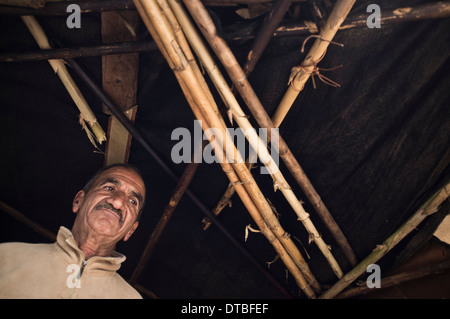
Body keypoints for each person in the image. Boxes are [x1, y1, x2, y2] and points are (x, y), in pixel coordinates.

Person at [0, 163, 146, 299]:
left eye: (133, 201)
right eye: (109, 188)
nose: (118, 202)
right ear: (79, 201)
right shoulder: (6, 256)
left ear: (130, 231)